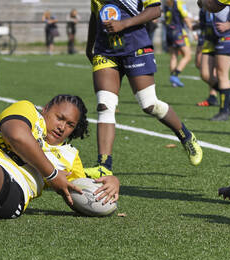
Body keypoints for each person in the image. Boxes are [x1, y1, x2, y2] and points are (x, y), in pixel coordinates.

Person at [0, 94, 120, 229]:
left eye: (70, 125)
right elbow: (16, 135)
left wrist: (111, 183)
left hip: (7, 191)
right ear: (46, 109)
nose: (62, 127)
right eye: (60, 118)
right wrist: (51, 175)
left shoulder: (70, 156)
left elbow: (84, 190)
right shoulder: (28, 110)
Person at [84, 0, 203, 179]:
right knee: (104, 105)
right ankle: (103, 165)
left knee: (149, 104)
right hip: (105, 51)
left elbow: (155, 10)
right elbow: (96, 15)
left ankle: (186, 136)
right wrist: (89, 45)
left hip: (135, 47)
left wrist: (123, 24)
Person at [198, 4, 230, 121]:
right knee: (204, 74)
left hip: (225, 36)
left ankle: (223, 112)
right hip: (210, 37)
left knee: (222, 74)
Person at [164, 0, 194, 87]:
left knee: (174, 56)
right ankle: (175, 75)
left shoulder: (167, 3)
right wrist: (193, 31)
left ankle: (174, 82)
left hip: (169, 32)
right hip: (178, 32)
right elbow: (185, 17)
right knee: (188, 56)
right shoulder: (179, 3)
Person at [194, 8, 219, 107]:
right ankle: (222, 92)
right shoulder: (203, 5)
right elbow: (203, 23)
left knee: (210, 69)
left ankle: (215, 96)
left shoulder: (217, 4)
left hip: (215, 37)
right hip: (205, 36)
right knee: (198, 63)